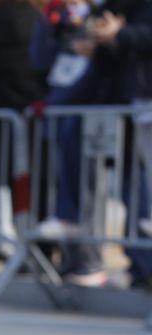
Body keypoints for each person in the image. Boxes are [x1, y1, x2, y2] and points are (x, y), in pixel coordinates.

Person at [90, 1, 152, 289]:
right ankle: (142, 266)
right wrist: (103, 40)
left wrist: (121, 34)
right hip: (134, 103)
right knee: (138, 185)